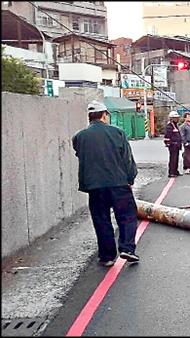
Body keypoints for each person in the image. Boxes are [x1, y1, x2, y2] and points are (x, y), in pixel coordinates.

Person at [72, 100, 140, 266]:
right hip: (119, 184)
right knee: (128, 217)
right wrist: (130, 178)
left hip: (95, 187)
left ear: (90, 117)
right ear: (104, 115)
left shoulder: (79, 137)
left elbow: (80, 155)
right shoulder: (117, 133)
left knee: (101, 220)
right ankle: (127, 248)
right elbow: (127, 160)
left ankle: (107, 257)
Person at [164, 111, 183, 178]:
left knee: (176, 159)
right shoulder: (169, 126)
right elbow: (167, 136)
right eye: (176, 118)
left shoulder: (175, 125)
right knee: (173, 159)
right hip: (173, 145)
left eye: (177, 118)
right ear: (172, 118)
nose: (177, 119)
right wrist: (169, 144)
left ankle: (175, 171)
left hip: (177, 145)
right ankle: (171, 172)